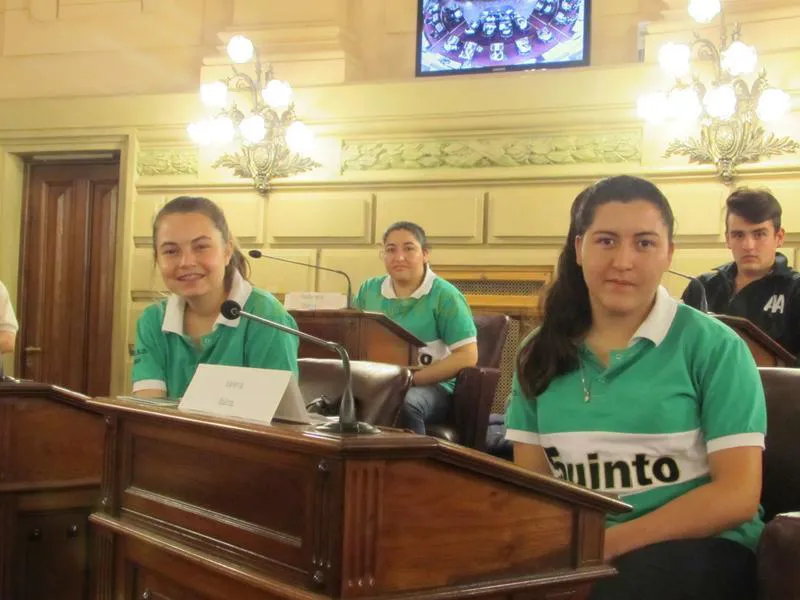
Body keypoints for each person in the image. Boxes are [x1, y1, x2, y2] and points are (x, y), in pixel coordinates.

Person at [506, 176, 766, 600]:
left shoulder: (715, 347)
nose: (623, 261)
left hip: (700, 547)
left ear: (668, 254)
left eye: (644, 243)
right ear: (578, 248)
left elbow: (736, 495)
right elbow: (534, 488)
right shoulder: (537, 353)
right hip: (576, 552)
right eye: (606, 241)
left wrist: (607, 545)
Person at [132, 196, 298, 399]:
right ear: (157, 259)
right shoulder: (152, 320)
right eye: (171, 251)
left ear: (227, 252)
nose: (186, 262)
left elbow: (276, 416)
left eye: (201, 247)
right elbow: (148, 411)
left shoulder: (266, 315)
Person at [353, 221, 478, 434]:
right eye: (391, 250)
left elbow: (467, 356)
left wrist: (409, 381)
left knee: (404, 403)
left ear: (425, 254)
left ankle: (413, 467)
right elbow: (352, 337)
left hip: (432, 387)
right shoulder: (368, 290)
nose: (399, 257)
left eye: (409, 248)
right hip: (376, 383)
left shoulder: (446, 296)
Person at [682, 187, 800, 355]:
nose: (748, 246)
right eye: (738, 235)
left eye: (759, 234)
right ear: (728, 239)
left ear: (779, 237)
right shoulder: (702, 286)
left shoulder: (795, 290)